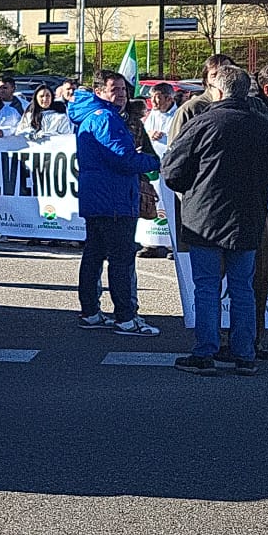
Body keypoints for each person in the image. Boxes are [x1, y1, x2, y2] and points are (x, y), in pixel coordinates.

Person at [163, 65, 268, 377]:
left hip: (204, 218)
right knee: (243, 287)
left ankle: (205, 353)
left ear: (217, 91)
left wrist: (195, 188)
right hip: (248, 218)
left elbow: (172, 171)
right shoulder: (265, 126)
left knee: (207, 287)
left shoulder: (203, 122)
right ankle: (245, 354)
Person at [66, 69, 162, 335]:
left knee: (94, 255)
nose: (120, 95)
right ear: (99, 92)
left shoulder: (89, 116)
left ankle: (91, 312)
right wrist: (153, 161)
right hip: (114, 198)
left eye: (123, 89)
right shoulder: (106, 118)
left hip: (99, 197)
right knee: (121, 259)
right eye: (114, 89)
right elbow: (123, 159)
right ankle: (125, 317)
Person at [168, 54, 236, 142]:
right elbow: (174, 148)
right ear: (206, 80)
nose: (221, 78)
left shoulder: (249, 105)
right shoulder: (190, 109)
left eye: (225, 73)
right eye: (214, 75)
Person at [142, 83, 177, 152]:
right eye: (151, 97)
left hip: (169, 158)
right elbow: (144, 131)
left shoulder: (178, 115)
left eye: (157, 97)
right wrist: (150, 133)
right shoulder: (153, 112)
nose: (152, 101)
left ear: (169, 99)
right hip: (150, 157)